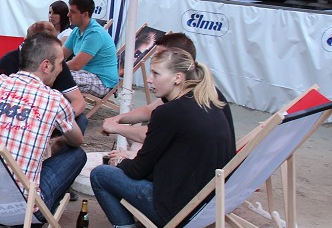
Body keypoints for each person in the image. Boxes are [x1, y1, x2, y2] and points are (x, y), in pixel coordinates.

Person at [90, 47, 235, 228]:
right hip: (206, 204)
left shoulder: (169, 113)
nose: (149, 79)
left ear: (178, 78)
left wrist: (121, 162)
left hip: (176, 208)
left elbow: (138, 170)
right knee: (123, 167)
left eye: (156, 73)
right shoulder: (209, 99)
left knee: (101, 174)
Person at [0, 32, 86, 228]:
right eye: (60, 63)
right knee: (78, 155)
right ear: (46, 65)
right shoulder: (54, 99)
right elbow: (77, 140)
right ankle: (26, 227)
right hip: (22, 208)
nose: (61, 69)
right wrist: (60, 140)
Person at [101, 32, 236, 147]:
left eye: (162, 57)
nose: (156, 60)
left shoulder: (186, 100)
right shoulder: (195, 88)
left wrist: (116, 127)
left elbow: (149, 136)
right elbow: (148, 111)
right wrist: (116, 120)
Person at [0, 22, 87, 125]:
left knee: (80, 120)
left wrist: (57, 121)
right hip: (12, 117)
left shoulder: (57, 63)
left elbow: (78, 101)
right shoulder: (9, 60)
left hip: (45, 119)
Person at [61, 0, 117, 97]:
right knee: (53, 75)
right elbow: (61, 55)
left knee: (57, 76)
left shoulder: (94, 34)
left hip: (102, 81)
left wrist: (52, 68)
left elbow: (75, 65)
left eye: (73, 12)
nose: (68, 15)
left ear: (85, 14)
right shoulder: (77, 30)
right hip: (86, 74)